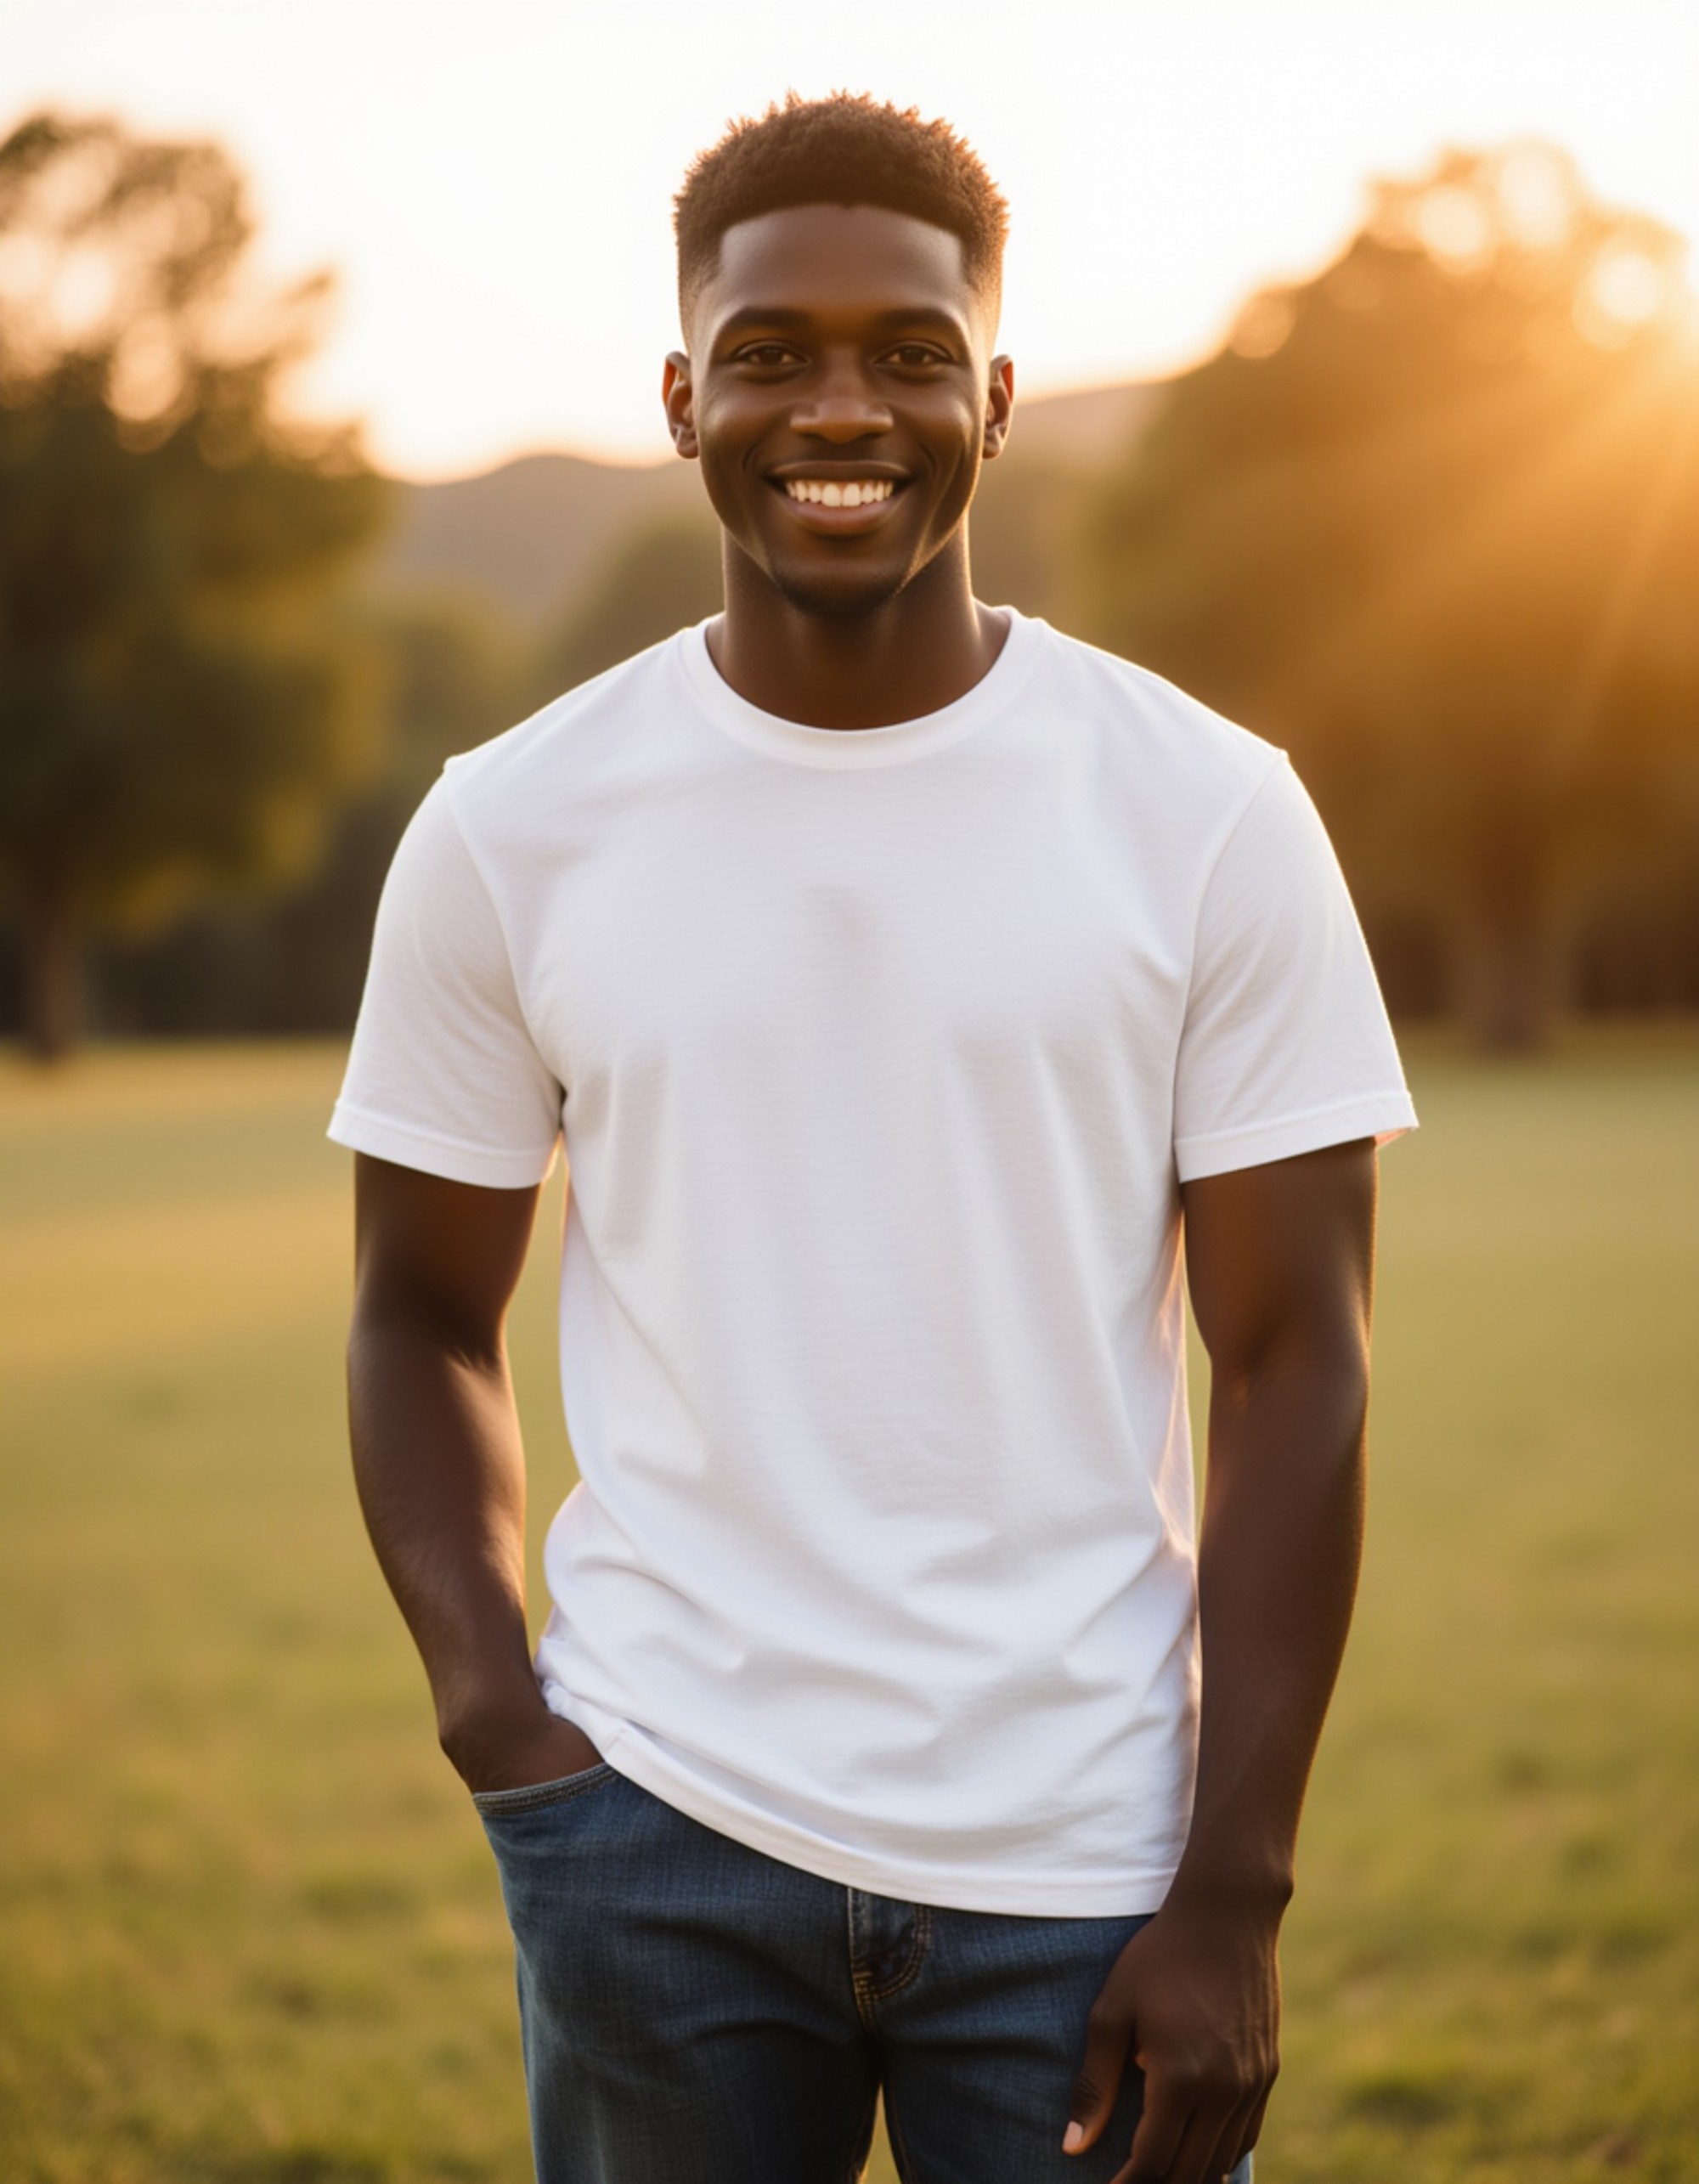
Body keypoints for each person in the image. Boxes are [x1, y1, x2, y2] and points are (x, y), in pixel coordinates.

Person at [331, 91, 1415, 2184]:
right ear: (681, 395)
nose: (844, 403)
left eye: (909, 351)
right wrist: (505, 1726)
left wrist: (1232, 1888)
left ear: (994, 397)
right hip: (655, 1834)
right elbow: (416, 1317)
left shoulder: (1204, 807)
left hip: (1089, 1860)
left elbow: (1302, 1359)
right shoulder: (510, 822)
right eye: (772, 351)